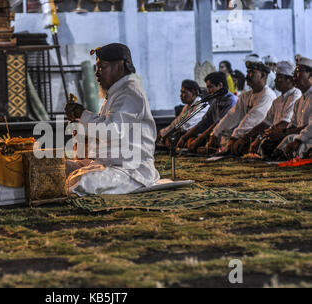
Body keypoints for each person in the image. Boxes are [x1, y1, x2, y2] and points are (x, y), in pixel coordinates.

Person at [64, 43, 160, 196]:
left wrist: (83, 114)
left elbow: (111, 131)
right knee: (59, 169)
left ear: (120, 67)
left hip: (131, 171)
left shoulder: (130, 93)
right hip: (106, 164)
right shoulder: (116, 93)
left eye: (102, 67)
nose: (97, 74)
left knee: (83, 181)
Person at [206, 56, 277, 155]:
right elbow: (231, 116)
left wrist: (235, 137)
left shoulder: (267, 95)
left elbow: (252, 119)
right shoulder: (245, 95)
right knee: (221, 138)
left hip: (258, 134)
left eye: (252, 72)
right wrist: (215, 133)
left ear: (263, 75)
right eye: (248, 72)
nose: (248, 75)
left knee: (238, 145)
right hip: (244, 134)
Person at [238, 61, 302, 157]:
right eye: (276, 77)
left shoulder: (296, 95)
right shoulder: (278, 100)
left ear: (290, 80)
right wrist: (246, 137)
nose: (275, 81)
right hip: (274, 135)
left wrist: (261, 137)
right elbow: (266, 123)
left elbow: (284, 124)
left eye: (280, 77)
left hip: (286, 135)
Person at [176, 72, 238, 152]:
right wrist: (184, 137)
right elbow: (204, 122)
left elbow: (219, 124)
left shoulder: (232, 101)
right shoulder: (216, 101)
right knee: (190, 141)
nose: (208, 91)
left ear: (220, 85)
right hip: (215, 137)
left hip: (228, 138)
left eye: (210, 87)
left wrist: (199, 139)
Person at [275, 57, 312, 160]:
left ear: (310, 74)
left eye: (298, 71)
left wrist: (297, 141)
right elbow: (293, 126)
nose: (294, 76)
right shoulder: (299, 101)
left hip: (307, 138)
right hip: (301, 137)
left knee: (295, 141)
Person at [157, 80, 209, 147]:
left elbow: (188, 126)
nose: (181, 95)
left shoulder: (202, 105)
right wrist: (162, 134)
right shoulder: (187, 106)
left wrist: (170, 133)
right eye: (181, 92)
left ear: (193, 92)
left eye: (183, 92)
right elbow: (176, 123)